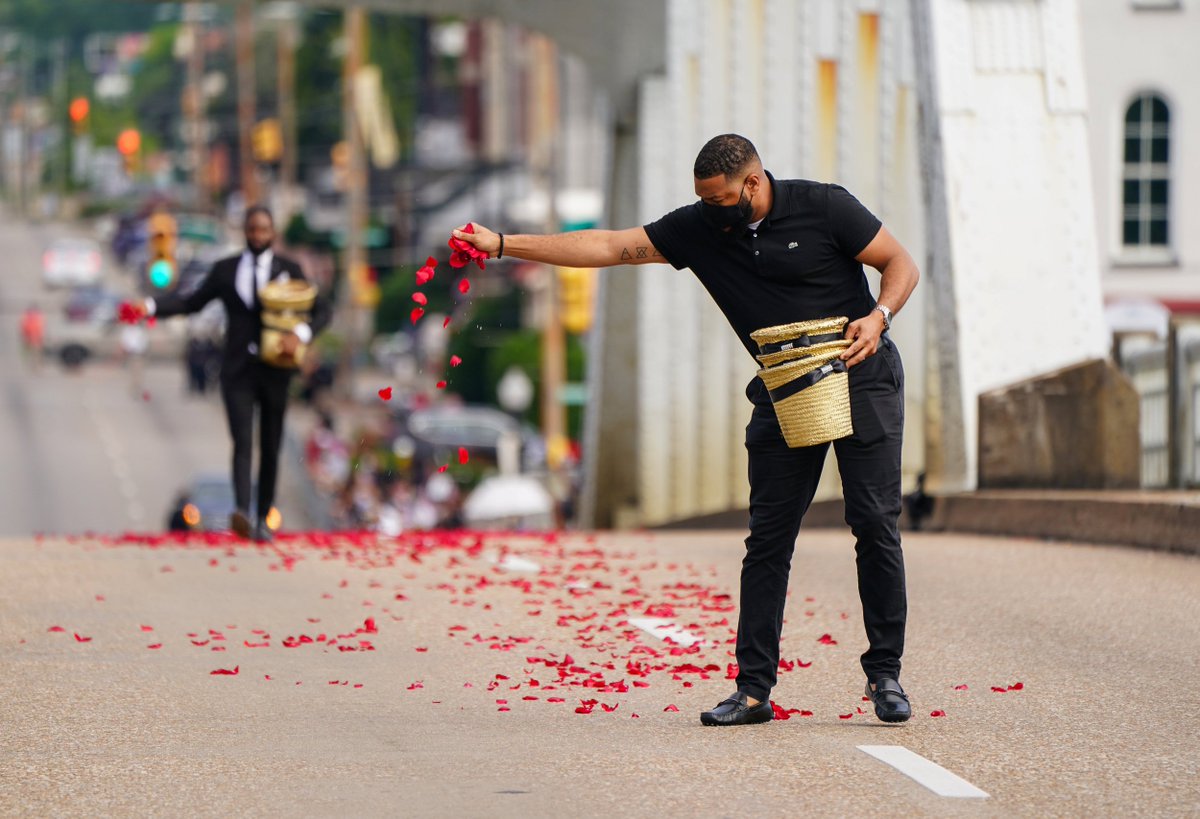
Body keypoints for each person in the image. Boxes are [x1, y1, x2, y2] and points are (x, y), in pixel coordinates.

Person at [451, 134, 920, 726]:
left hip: (861, 371)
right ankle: (753, 691)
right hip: (783, 384)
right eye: (702, 200)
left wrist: (880, 316)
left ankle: (886, 676)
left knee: (874, 521)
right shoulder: (702, 227)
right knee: (768, 540)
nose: (711, 210)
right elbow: (609, 245)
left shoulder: (825, 206)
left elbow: (900, 263)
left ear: (753, 185)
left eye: (720, 199)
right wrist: (500, 244)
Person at [137, 206, 330, 542]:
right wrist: (152, 306)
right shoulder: (226, 270)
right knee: (242, 441)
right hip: (237, 369)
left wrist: (300, 334)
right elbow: (191, 302)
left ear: (272, 233)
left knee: (270, 445)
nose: (258, 236)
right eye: (253, 230)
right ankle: (242, 510)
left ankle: (263, 517)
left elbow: (322, 310)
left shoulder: (290, 270)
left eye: (264, 230)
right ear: (245, 232)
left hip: (276, 370)